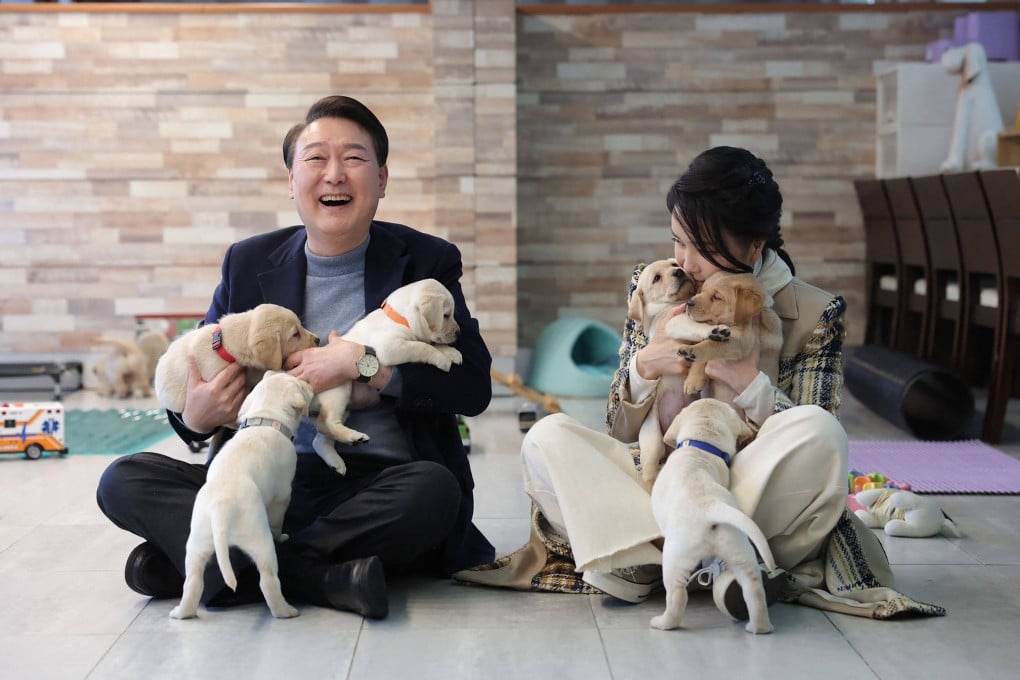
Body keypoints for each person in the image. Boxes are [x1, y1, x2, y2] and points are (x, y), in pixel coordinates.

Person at [455, 146, 944, 622]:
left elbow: (815, 443)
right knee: (546, 437)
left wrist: (749, 382)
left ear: (756, 247)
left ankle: (715, 552)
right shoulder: (655, 285)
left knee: (819, 431)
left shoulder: (813, 312)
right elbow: (617, 431)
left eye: (703, 249)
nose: (685, 263)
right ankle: (648, 559)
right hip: (657, 482)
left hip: (746, 486)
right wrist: (643, 369)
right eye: (677, 241)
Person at [96, 95, 495, 620]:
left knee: (433, 491)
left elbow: (473, 388)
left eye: (353, 159)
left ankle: (215, 568)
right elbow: (196, 377)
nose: (334, 175)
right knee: (123, 478)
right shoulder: (248, 262)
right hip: (257, 478)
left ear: (381, 178)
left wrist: (363, 366)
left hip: (374, 485)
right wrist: (193, 418)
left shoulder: (425, 260)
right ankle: (320, 577)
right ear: (291, 181)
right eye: (315, 159)